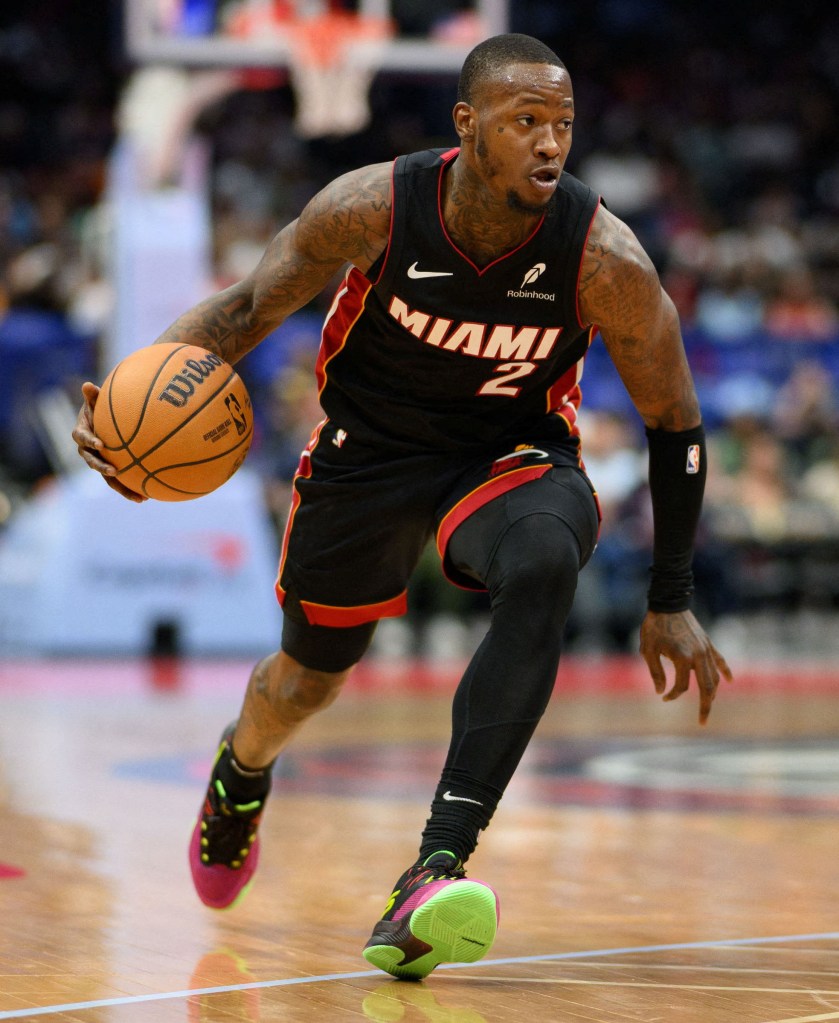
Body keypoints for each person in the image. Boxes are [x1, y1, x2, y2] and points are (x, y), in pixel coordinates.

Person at [73, 33, 732, 981]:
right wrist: (134, 395)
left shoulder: (603, 259)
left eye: (563, 124)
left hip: (506, 455)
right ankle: (242, 768)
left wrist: (668, 594)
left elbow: (675, 421)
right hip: (367, 454)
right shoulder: (374, 206)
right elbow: (245, 308)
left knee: (548, 551)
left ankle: (435, 865)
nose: (550, 144)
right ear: (466, 127)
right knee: (306, 678)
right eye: (525, 122)